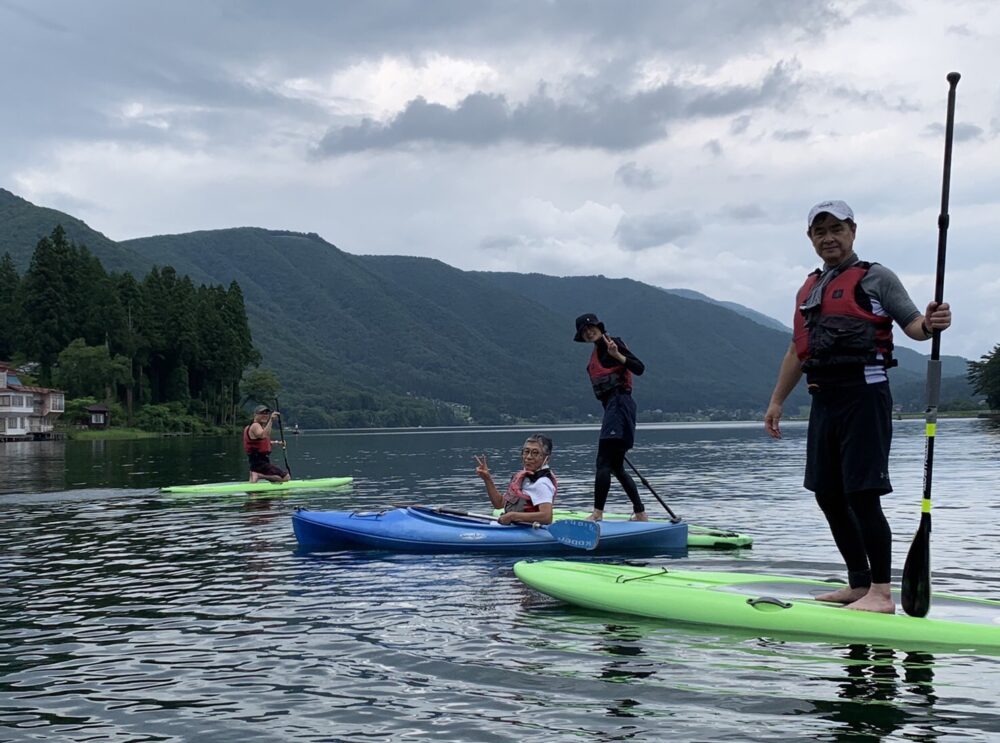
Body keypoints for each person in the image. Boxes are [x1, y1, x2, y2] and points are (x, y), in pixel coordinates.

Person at [764, 200, 952, 614]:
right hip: (824, 399)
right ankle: (859, 584)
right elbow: (798, 351)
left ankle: (882, 594)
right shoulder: (808, 287)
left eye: (837, 228)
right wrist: (777, 400)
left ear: (853, 230)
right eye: (820, 231)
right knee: (828, 495)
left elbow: (915, 327)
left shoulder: (876, 277)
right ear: (810, 238)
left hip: (865, 397)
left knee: (862, 494)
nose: (828, 237)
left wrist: (932, 322)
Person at [573, 313, 647, 522]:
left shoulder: (612, 344)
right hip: (614, 409)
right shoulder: (597, 352)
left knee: (603, 462)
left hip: (620, 405)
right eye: (584, 331)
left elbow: (639, 368)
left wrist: (618, 355)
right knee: (615, 466)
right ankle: (640, 513)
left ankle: (597, 513)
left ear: (599, 327)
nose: (589, 332)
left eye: (591, 328)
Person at [475, 434, 557, 525]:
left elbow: (546, 517)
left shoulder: (542, 483)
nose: (529, 457)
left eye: (535, 453)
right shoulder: (523, 478)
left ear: (547, 458)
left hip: (530, 530)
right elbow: (499, 504)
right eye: (526, 452)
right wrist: (487, 478)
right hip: (515, 527)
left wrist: (513, 516)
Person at [244, 404, 290, 483]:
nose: (265, 415)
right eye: (262, 413)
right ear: (255, 415)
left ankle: (255, 475)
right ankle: (259, 475)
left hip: (257, 461)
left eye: (266, 413)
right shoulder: (255, 426)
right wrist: (271, 420)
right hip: (259, 461)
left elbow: (261, 442)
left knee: (277, 478)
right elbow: (263, 435)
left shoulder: (255, 426)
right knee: (286, 477)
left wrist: (277, 443)